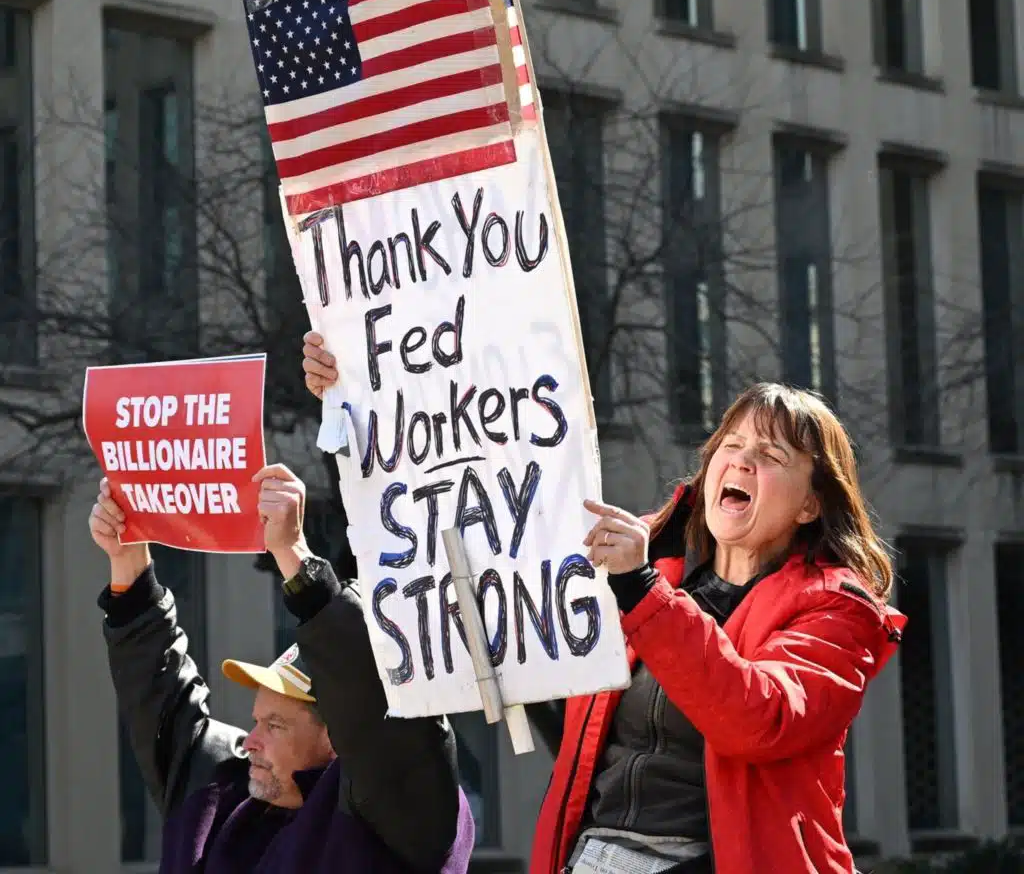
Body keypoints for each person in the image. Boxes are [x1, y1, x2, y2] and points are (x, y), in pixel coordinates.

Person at [301, 336, 906, 873]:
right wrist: (359, 401)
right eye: (733, 444)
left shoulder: (838, 611)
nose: (742, 460)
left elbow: (759, 719)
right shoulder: (643, 568)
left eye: (772, 457)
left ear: (811, 506)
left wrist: (644, 591)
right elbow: (474, 505)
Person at [89, 462, 475, 874]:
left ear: (337, 736)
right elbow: (161, 704)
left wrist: (294, 555)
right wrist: (129, 570)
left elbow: (377, 714)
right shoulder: (229, 797)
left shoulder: (400, 810)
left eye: (275, 725)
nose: (250, 741)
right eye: (258, 721)